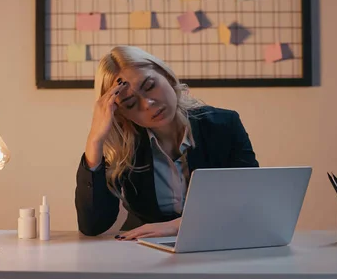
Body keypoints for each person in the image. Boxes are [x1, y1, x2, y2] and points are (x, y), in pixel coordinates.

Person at [75, 46, 258, 240]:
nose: (148, 104)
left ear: (166, 76)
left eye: (150, 86)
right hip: (145, 252)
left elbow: (249, 200)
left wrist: (178, 226)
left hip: (217, 244)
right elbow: (93, 225)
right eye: (130, 103)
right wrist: (95, 140)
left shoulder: (224, 125)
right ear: (120, 114)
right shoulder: (123, 146)